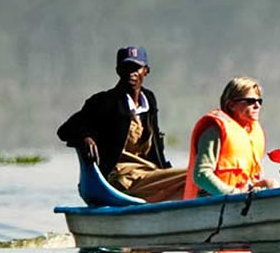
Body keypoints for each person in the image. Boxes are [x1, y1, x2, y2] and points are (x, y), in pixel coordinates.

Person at [56, 45, 187, 202]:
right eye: (126, 67)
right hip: (121, 178)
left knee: (191, 182)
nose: (131, 73)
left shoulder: (149, 100)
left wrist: (165, 169)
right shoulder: (104, 101)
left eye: (136, 68)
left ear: (146, 70)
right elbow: (65, 130)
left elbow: (156, 148)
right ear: (118, 70)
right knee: (193, 175)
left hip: (149, 173)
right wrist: (85, 137)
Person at [183, 77, 272, 198]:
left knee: (270, 184)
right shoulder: (215, 130)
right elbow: (201, 175)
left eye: (259, 101)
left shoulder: (253, 132)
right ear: (231, 105)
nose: (257, 105)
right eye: (250, 101)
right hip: (215, 200)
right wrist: (234, 193)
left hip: (241, 198)